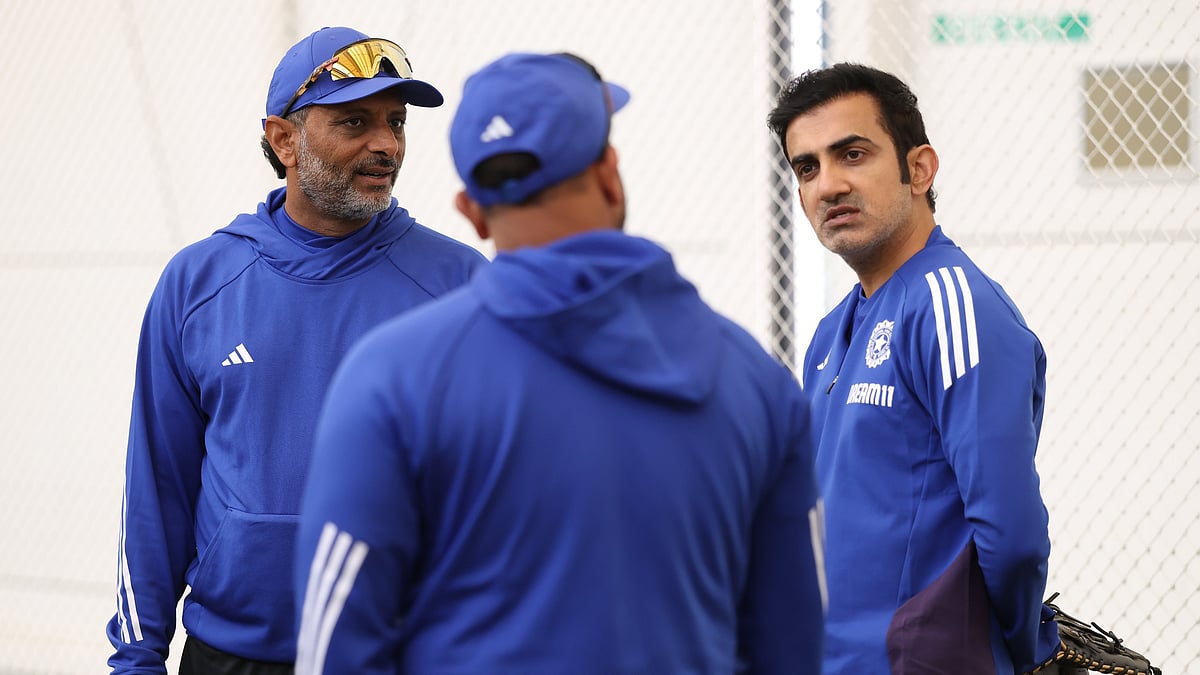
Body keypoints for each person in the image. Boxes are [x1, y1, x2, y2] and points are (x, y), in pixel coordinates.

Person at [292, 51, 826, 674]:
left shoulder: (392, 378)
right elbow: (794, 642)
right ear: (609, 172)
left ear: (472, 211)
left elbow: (336, 647)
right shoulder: (755, 382)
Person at [106, 26, 486, 674]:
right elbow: (157, 489)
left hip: (397, 656)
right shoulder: (197, 284)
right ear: (284, 139)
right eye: (355, 121)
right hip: (229, 655)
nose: (387, 144)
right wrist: (136, 659)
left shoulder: (461, 287)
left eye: (396, 122)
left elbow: (495, 499)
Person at [767, 62, 1063, 674]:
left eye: (853, 154)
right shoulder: (828, 335)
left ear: (919, 168)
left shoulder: (953, 305)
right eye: (808, 167)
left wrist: (1014, 650)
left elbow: (1010, 533)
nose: (828, 185)